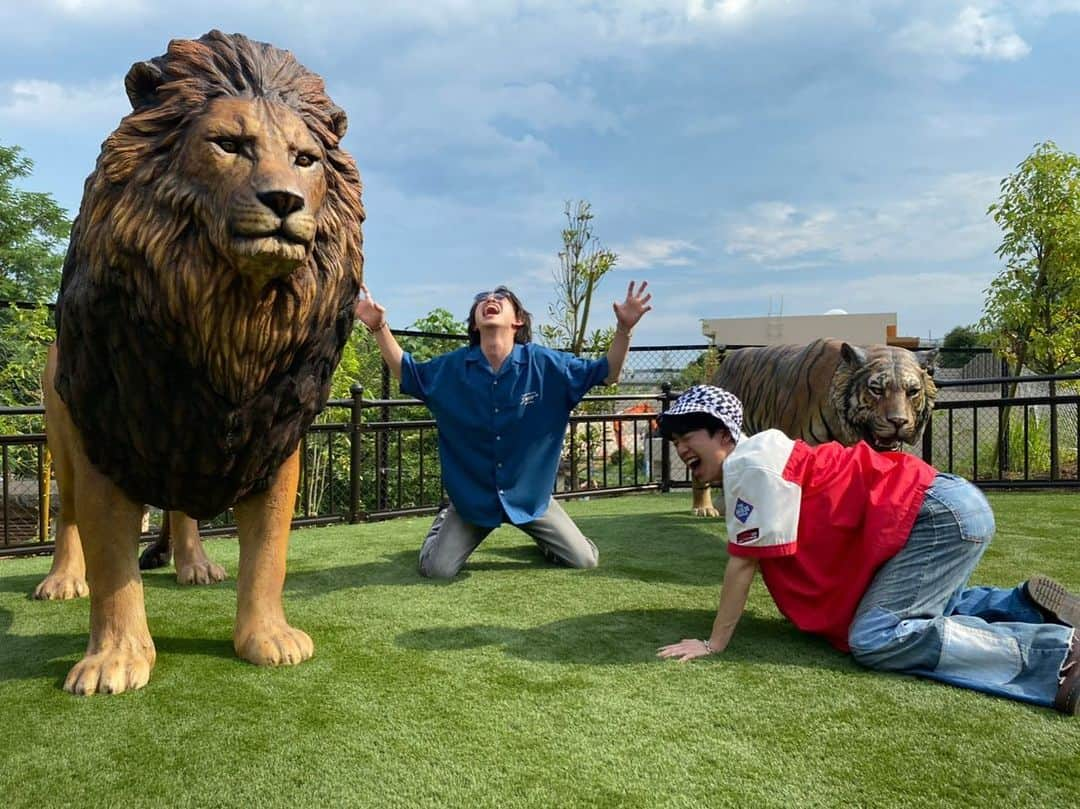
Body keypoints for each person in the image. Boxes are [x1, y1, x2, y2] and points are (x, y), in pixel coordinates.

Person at [656, 384, 1079, 715]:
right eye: (675, 441)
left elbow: (743, 564)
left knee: (876, 637)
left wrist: (713, 644)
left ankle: (1055, 656)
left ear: (723, 432)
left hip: (932, 515)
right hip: (944, 503)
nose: (680, 448)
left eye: (687, 435)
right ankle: (1022, 606)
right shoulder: (761, 454)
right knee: (900, 608)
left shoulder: (748, 465)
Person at [355, 280, 653, 579]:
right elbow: (407, 372)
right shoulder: (451, 369)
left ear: (517, 320)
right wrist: (379, 326)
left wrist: (624, 329)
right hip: (472, 500)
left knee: (584, 560)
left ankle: (547, 543)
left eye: (500, 297)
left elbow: (608, 373)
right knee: (437, 570)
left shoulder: (548, 366)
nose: (490, 299)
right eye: (482, 298)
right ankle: (446, 518)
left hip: (531, 498)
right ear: (474, 323)